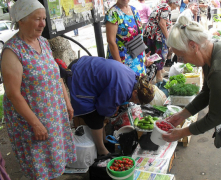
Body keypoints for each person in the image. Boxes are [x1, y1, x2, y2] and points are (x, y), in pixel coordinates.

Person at [163, 16, 221, 180]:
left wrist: (181, 132)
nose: (182, 62)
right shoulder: (213, 52)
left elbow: (216, 117)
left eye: (181, 56)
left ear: (193, 46)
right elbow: (206, 92)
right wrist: (182, 115)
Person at [0, 0, 77, 179]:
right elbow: (13, 94)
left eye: (43, 18)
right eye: (37, 19)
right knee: (40, 166)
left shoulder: (42, 42)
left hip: (54, 115)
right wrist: (35, 123)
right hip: (33, 120)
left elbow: (56, 76)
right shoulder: (13, 51)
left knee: (55, 160)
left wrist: (67, 102)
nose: (43, 23)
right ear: (21, 20)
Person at [61, 56, 155, 156]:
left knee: (101, 113)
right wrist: (112, 110)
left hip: (84, 65)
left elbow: (111, 91)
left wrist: (115, 104)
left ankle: (104, 140)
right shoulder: (122, 88)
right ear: (135, 92)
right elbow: (103, 108)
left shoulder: (133, 77)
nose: (136, 103)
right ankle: (101, 149)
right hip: (78, 75)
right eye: (138, 101)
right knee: (94, 116)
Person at [105, 0, 150, 77]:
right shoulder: (113, 13)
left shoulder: (134, 10)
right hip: (122, 61)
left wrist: (144, 56)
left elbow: (139, 35)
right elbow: (111, 42)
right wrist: (120, 68)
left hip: (138, 59)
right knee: (126, 86)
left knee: (140, 86)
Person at [143, 0, 180, 83]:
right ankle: (158, 77)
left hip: (149, 33)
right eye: (176, 5)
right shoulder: (167, 7)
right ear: (173, 3)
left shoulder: (162, 5)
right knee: (159, 54)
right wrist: (168, 38)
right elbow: (162, 24)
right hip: (156, 35)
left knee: (152, 54)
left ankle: (160, 72)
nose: (176, 8)